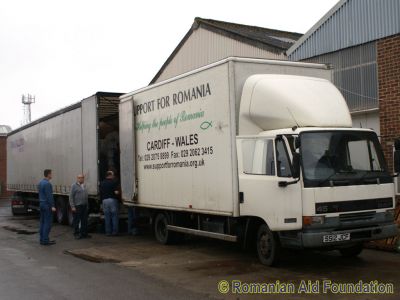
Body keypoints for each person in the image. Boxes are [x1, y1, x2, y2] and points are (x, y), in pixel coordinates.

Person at [38, 169, 56, 245]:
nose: (52, 175)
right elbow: (49, 196)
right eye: (51, 174)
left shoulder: (40, 183)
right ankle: (45, 240)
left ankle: (42, 239)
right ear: (48, 174)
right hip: (47, 205)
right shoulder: (48, 184)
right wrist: (52, 206)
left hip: (41, 204)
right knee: (47, 223)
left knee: (42, 222)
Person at [69, 174, 90, 239]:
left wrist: (87, 205)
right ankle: (76, 234)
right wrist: (72, 206)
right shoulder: (74, 186)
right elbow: (71, 197)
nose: (81, 179)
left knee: (84, 220)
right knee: (77, 220)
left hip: (84, 205)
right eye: (80, 178)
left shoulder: (84, 185)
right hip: (77, 206)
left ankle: (84, 233)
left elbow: (86, 196)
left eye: (82, 178)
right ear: (77, 179)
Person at [99, 171, 120, 236]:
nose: (114, 176)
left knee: (107, 217)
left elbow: (101, 193)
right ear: (110, 175)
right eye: (113, 175)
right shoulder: (114, 182)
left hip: (104, 201)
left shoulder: (102, 183)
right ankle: (115, 232)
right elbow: (116, 192)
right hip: (112, 200)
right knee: (114, 217)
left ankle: (108, 232)